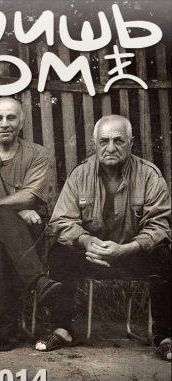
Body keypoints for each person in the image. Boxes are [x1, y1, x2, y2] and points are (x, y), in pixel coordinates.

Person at [36, 114, 171, 362]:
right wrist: (87, 241)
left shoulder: (150, 175)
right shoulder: (80, 175)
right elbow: (62, 221)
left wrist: (125, 249)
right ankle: (62, 329)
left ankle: (165, 337)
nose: (110, 148)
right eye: (104, 141)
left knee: (162, 253)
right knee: (59, 252)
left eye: (118, 140)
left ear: (131, 143)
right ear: (94, 144)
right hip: (91, 255)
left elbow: (159, 226)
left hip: (132, 255)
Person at [0, 97, 62, 352]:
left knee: (9, 241)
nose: (4, 123)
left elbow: (31, 196)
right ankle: (39, 282)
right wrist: (14, 209)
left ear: (22, 122)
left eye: (11, 117)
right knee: (6, 223)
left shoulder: (38, 154)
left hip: (29, 228)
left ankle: (7, 329)